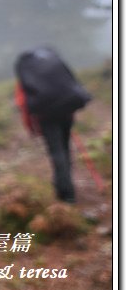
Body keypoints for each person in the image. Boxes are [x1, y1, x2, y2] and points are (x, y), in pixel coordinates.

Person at [14, 47, 92, 203]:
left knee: (57, 152)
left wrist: (32, 129)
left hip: (46, 117)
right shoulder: (54, 67)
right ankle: (63, 183)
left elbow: (24, 105)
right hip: (66, 113)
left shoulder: (28, 75)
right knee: (64, 148)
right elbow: (71, 85)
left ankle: (66, 193)